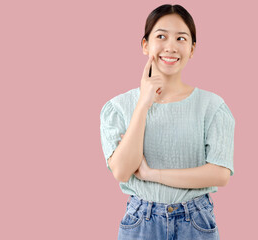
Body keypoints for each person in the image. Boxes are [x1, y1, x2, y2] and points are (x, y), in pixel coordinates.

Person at [100, 4, 235, 240]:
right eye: (161, 36)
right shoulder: (118, 107)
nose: (171, 47)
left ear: (192, 49)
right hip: (141, 221)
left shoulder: (212, 106)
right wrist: (143, 103)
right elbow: (121, 171)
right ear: (145, 45)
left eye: (181, 38)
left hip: (195, 222)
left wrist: (153, 174)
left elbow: (220, 173)